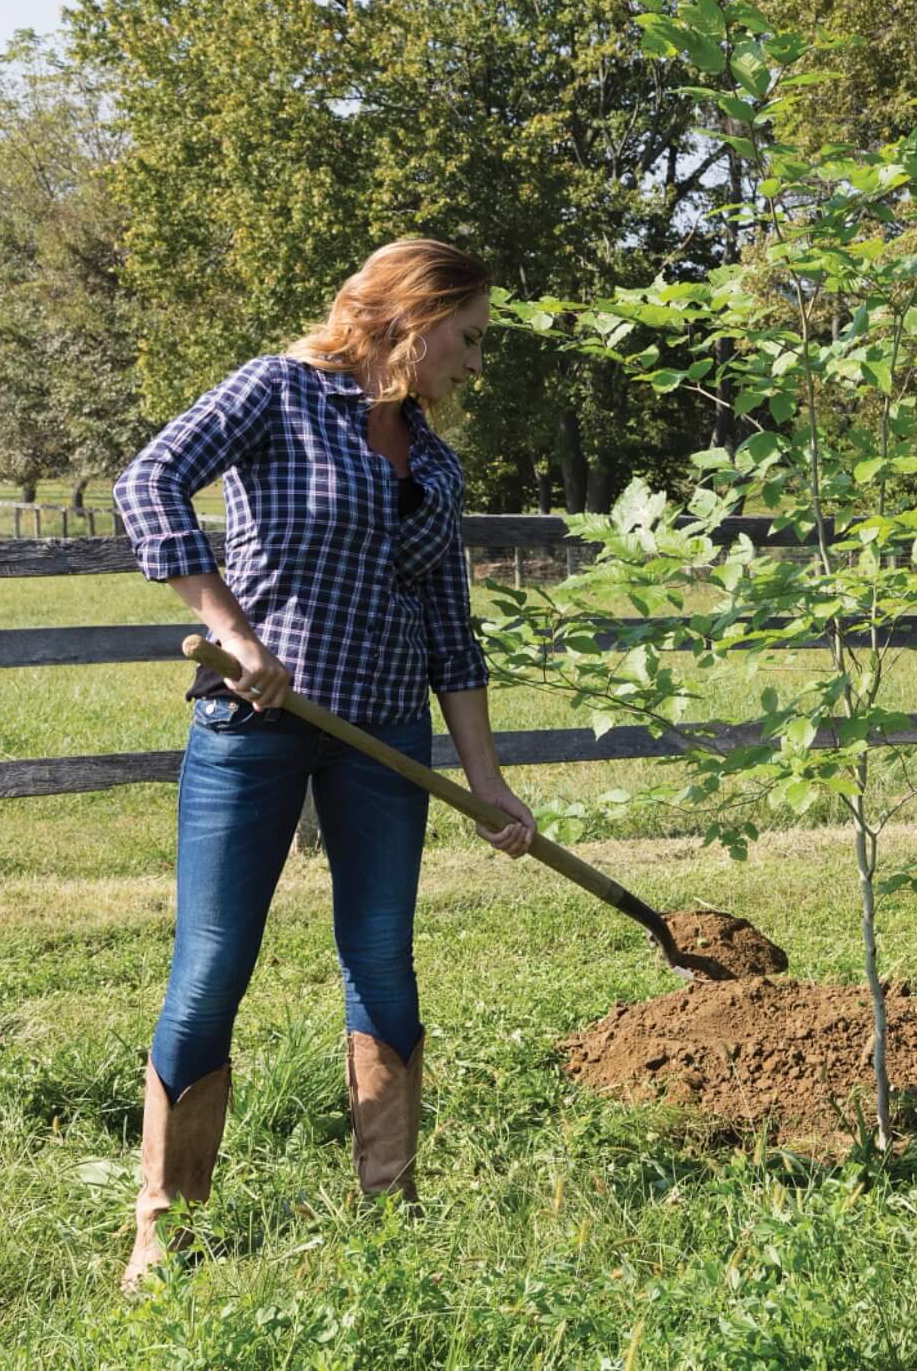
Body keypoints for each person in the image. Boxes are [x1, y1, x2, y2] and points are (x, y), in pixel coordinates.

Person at [111, 237, 537, 1291]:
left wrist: (485, 781)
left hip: (386, 736)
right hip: (253, 725)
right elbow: (149, 480)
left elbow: (449, 624)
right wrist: (232, 627)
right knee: (213, 966)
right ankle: (166, 1225)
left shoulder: (434, 462)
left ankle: (389, 1208)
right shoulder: (278, 393)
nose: (474, 365)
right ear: (414, 315)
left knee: (382, 960)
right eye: (469, 338)